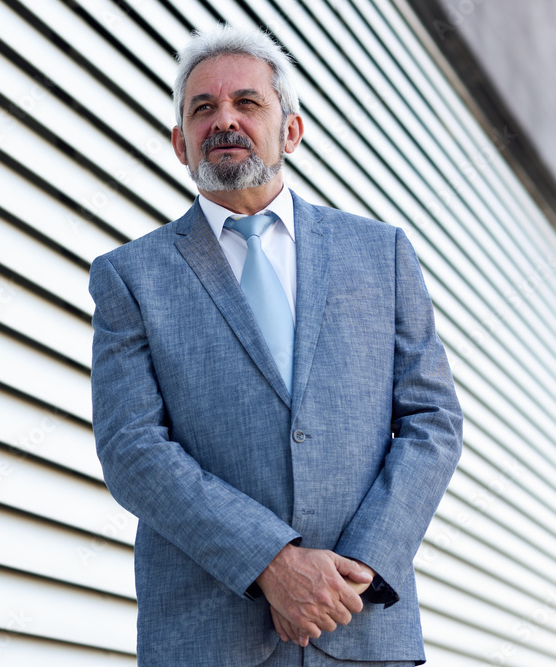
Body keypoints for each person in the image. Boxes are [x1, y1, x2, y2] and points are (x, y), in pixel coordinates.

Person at [89, 23, 462, 666]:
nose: (223, 120)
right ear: (180, 143)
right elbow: (132, 449)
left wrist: (359, 569)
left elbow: (433, 421)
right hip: (207, 640)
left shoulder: (382, 255)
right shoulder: (131, 276)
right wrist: (271, 561)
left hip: (361, 627)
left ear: (290, 129)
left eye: (247, 102)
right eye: (202, 108)